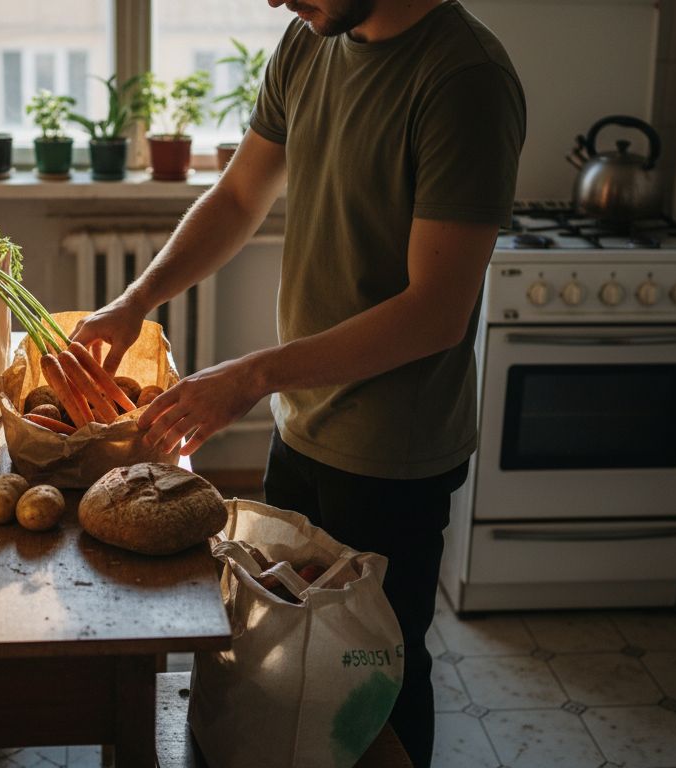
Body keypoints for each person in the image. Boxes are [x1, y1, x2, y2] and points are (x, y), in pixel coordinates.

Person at [73, 0, 524, 763]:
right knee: (288, 656)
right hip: (302, 424)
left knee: (373, 676)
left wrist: (251, 375)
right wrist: (133, 301)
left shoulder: (464, 81)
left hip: (392, 454)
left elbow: (435, 313)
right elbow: (240, 195)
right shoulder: (309, 41)